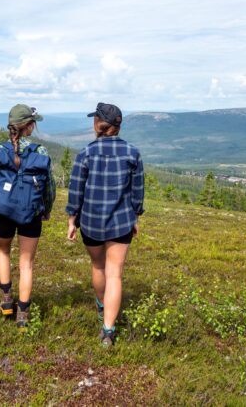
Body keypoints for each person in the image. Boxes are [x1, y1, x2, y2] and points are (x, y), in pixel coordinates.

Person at [66, 103, 144, 346]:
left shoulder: (86, 153)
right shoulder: (133, 153)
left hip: (91, 222)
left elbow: (76, 190)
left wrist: (72, 220)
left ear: (98, 124)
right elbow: (137, 192)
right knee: (115, 275)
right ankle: (108, 330)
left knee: (98, 267)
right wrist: (135, 216)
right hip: (121, 223)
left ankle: (102, 307)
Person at [0, 104, 56, 331]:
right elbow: (49, 189)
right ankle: (22, 314)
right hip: (30, 213)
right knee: (27, 264)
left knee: (3, 251)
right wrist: (46, 209)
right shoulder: (40, 152)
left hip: (3, 211)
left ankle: (6, 301)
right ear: (29, 127)